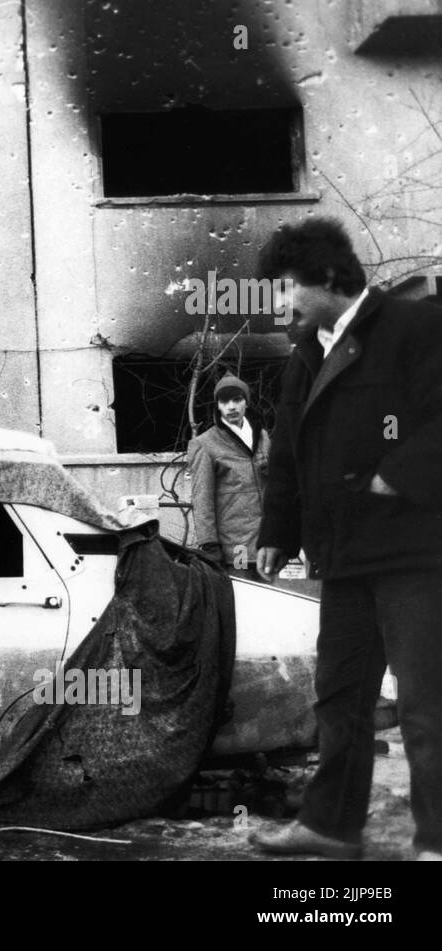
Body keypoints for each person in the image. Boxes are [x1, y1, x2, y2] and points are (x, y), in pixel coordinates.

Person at [250, 217, 442, 861]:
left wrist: (398, 474)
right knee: (340, 699)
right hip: (345, 556)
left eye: (285, 289)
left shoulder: (415, 327)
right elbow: (289, 453)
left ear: (330, 277)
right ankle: (331, 827)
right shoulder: (306, 353)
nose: (279, 305)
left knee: (426, 705)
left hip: (417, 555)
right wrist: (277, 531)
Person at [187, 374, 271, 579]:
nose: (231, 406)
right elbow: (202, 498)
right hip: (236, 547)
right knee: (242, 594)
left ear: (246, 402)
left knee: (271, 597)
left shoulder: (262, 437)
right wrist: (209, 543)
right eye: (225, 401)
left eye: (237, 399)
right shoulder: (205, 444)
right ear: (218, 406)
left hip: (267, 543)